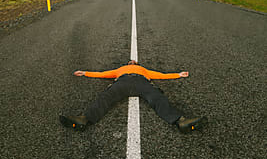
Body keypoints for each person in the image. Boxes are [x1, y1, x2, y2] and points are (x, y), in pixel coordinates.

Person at [59, 60, 206, 133]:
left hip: (141, 81)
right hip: (123, 81)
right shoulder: (120, 69)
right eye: (131, 61)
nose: (132, 62)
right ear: (128, 63)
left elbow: (161, 76)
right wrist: (85, 72)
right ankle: (83, 119)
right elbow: (102, 74)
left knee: (158, 98)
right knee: (105, 97)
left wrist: (178, 75)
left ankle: (181, 121)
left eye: (133, 62)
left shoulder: (144, 70)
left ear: (136, 63)